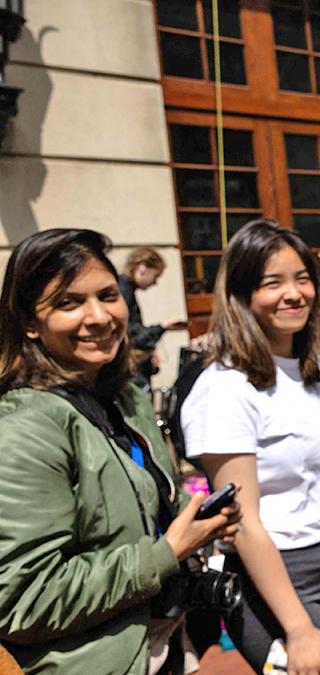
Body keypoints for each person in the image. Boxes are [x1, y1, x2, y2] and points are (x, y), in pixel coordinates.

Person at [0, 229, 240, 674]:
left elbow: (137, 500)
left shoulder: (123, 397)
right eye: (69, 303)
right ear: (29, 323)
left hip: (166, 646)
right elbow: (22, 598)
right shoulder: (22, 427)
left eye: (107, 295)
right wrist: (165, 553)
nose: (99, 317)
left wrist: (196, 516)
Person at [181, 220, 320, 675]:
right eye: (273, 282)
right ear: (243, 295)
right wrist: (298, 627)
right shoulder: (228, 388)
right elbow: (241, 521)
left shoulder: (312, 368)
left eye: (302, 278)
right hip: (277, 578)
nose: (294, 293)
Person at [118, 248, 188, 388]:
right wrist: (162, 327)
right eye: (155, 276)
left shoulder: (126, 290)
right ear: (142, 267)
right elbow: (133, 334)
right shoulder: (124, 291)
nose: (155, 282)